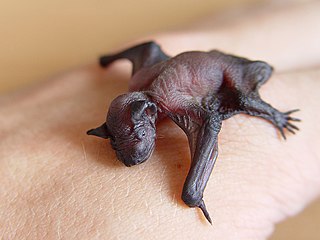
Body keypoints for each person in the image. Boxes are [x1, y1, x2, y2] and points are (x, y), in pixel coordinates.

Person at [0, 1, 319, 239]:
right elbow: (149, 49)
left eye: (136, 138)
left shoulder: (172, 102)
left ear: (150, 116)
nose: (135, 153)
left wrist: (277, 117)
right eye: (121, 142)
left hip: (224, 70)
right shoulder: (139, 81)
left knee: (247, 101)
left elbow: (210, 122)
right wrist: (108, 60)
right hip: (185, 71)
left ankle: (274, 113)